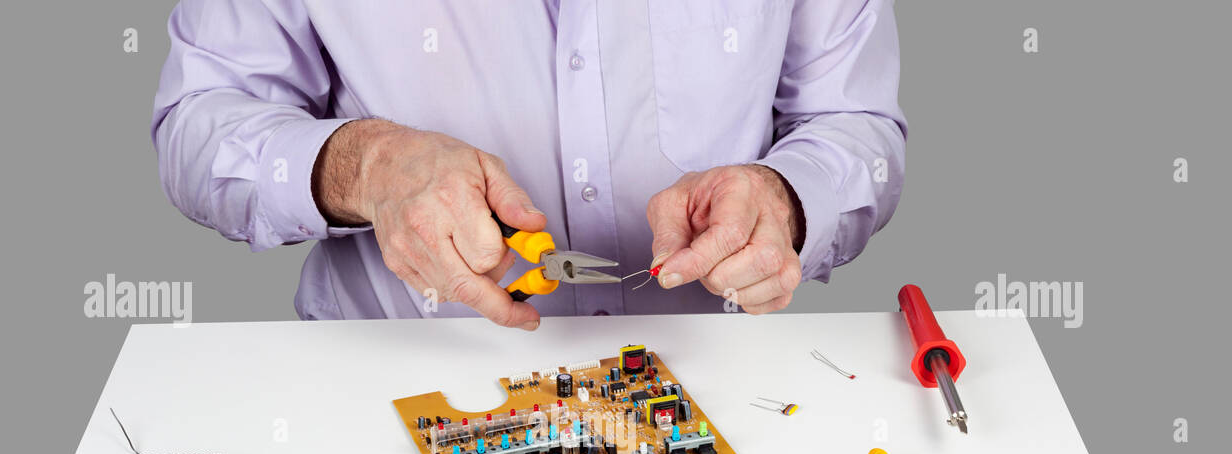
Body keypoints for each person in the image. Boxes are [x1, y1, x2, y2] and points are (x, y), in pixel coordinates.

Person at [152, 1, 906, 330]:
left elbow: (853, 124)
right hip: (391, 396)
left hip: (715, 401)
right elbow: (199, 120)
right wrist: (367, 166)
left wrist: (787, 200)